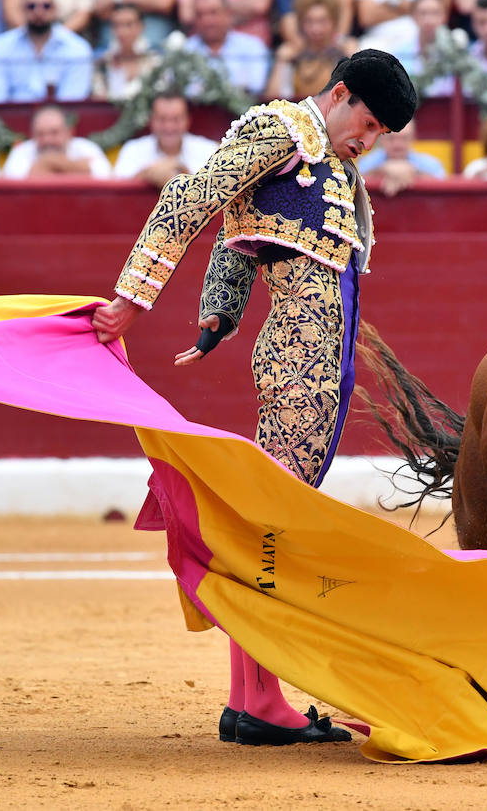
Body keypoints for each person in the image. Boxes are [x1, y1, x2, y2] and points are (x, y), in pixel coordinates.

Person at [89, 50, 416, 747]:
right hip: (300, 360)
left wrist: (220, 313)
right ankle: (261, 700)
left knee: (272, 525)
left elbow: (243, 237)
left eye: (385, 132)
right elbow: (191, 197)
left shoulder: (326, 162)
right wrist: (131, 301)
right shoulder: (282, 131)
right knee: (275, 529)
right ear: (340, 93)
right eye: (370, 120)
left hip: (316, 361)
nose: (372, 138)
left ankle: (251, 697)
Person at [0, 0, 94, 104]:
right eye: (31, 6)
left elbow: (72, 103)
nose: (38, 12)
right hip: (8, 119)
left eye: (46, 6)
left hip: (59, 121)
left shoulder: (77, 49)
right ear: (22, 10)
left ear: (56, 10)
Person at [267, 0, 357, 99]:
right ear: (301, 23)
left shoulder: (346, 51)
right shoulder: (292, 54)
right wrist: (281, 62)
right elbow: (273, 99)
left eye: (322, 21)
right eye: (309, 21)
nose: (316, 29)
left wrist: (354, 60)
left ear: (334, 21)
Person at [112, 93, 218, 186]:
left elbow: (218, 191)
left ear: (187, 120)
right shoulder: (132, 150)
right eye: (162, 119)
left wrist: (183, 173)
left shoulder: (209, 150)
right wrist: (146, 174)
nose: (169, 127)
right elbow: (117, 190)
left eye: (176, 119)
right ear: (151, 120)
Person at [184, 0, 271, 96]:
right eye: (200, 15)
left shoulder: (252, 47)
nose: (207, 21)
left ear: (228, 13)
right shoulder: (184, 50)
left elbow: (256, 87)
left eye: (213, 13)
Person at [1, 105, 111, 179]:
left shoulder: (87, 148)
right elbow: (14, 184)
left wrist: (45, 165)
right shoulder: (21, 151)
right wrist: (76, 167)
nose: (47, 140)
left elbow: (105, 178)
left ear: (69, 133)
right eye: (40, 134)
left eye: (54, 133)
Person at [389, 0, 454, 97]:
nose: (429, 20)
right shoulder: (397, 56)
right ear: (413, 16)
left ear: (445, 16)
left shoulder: (458, 54)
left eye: (435, 13)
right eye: (423, 13)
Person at [358, 118, 444, 195]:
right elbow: (355, 183)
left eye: (404, 138)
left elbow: (443, 188)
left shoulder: (431, 163)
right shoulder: (367, 162)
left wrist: (414, 172)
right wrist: (381, 171)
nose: (397, 144)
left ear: (413, 139)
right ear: (381, 139)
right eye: (391, 138)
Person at [93, 3, 159, 99]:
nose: (122, 32)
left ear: (141, 26)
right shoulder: (102, 63)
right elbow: (99, 99)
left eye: (129, 25)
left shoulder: (156, 61)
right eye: (117, 25)